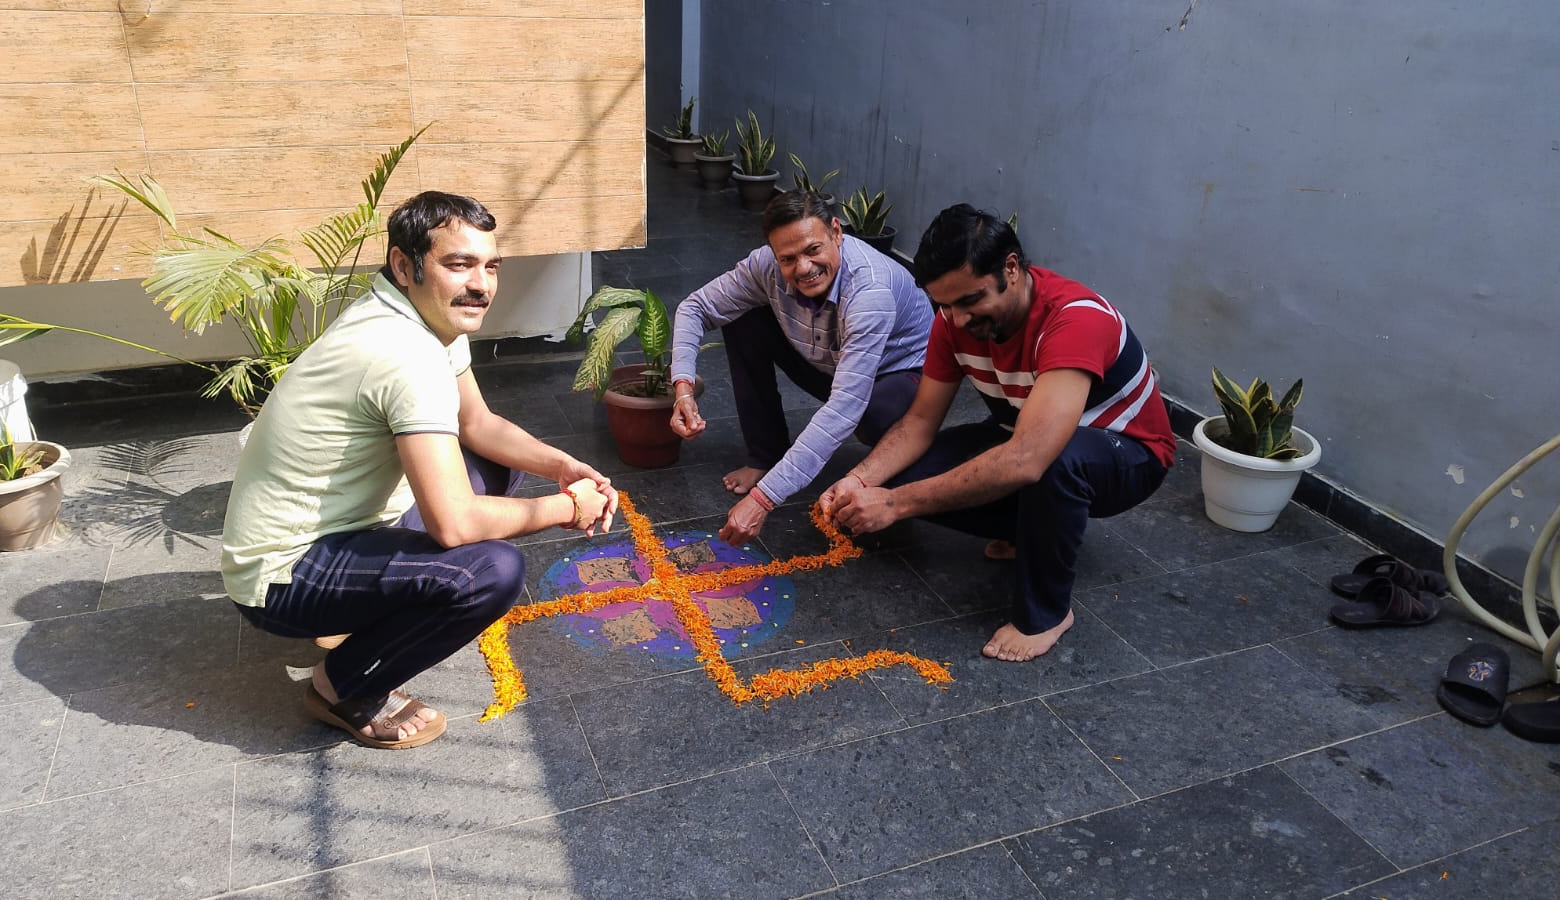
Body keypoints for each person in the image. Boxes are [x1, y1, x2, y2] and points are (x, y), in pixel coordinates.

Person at [222, 191, 619, 749]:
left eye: (490, 266)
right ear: (404, 265)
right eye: (459, 265)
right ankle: (343, 686)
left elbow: (477, 424)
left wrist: (562, 465)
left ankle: (362, 612)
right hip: (284, 574)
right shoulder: (404, 354)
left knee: (494, 467)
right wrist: (569, 507)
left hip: (345, 530)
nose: (480, 284)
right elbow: (455, 526)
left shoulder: (418, 316)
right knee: (490, 570)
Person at [821, 204, 1175, 662]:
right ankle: (1029, 528)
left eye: (970, 300)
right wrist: (861, 481)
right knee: (898, 474)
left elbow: (1028, 458)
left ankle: (1046, 615)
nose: (959, 319)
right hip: (1024, 437)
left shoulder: (1076, 318)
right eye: (945, 304)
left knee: (1052, 465)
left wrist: (894, 505)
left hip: (1128, 454)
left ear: (1011, 267)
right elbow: (919, 422)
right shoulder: (952, 321)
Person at [667, 190, 934, 547]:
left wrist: (764, 499)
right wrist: (682, 389)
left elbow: (844, 408)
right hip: (828, 358)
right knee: (743, 319)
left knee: (871, 414)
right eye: (788, 258)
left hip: (897, 379)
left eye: (813, 250)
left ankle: (889, 472)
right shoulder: (765, 265)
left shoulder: (870, 291)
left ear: (836, 232)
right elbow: (695, 307)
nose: (804, 268)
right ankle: (766, 455)